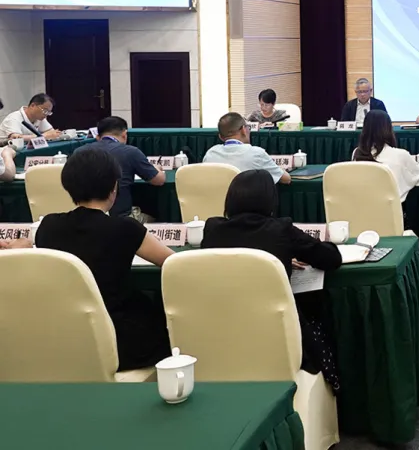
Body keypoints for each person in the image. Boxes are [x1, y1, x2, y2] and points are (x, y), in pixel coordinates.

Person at [202, 170, 343, 390]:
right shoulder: (280, 229)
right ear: (270, 200)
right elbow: (331, 258)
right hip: (278, 334)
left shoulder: (212, 228)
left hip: (222, 331)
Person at [34, 147, 174, 370]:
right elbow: (173, 263)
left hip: (65, 335)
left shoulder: (48, 225)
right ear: (114, 187)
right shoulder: (125, 227)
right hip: (121, 340)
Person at [80, 116, 165, 217]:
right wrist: (157, 168)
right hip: (121, 217)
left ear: (98, 137)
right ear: (124, 135)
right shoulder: (131, 152)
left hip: (84, 217)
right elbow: (159, 180)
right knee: (152, 218)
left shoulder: (79, 152)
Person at [352, 110, 419, 202]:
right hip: (390, 209)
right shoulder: (401, 155)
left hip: (361, 208)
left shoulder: (357, 152)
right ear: (388, 129)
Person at [203, 112, 291, 184]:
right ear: (243, 130)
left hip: (216, 201)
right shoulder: (256, 153)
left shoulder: (211, 154)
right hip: (246, 201)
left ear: (220, 137)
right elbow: (286, 179)